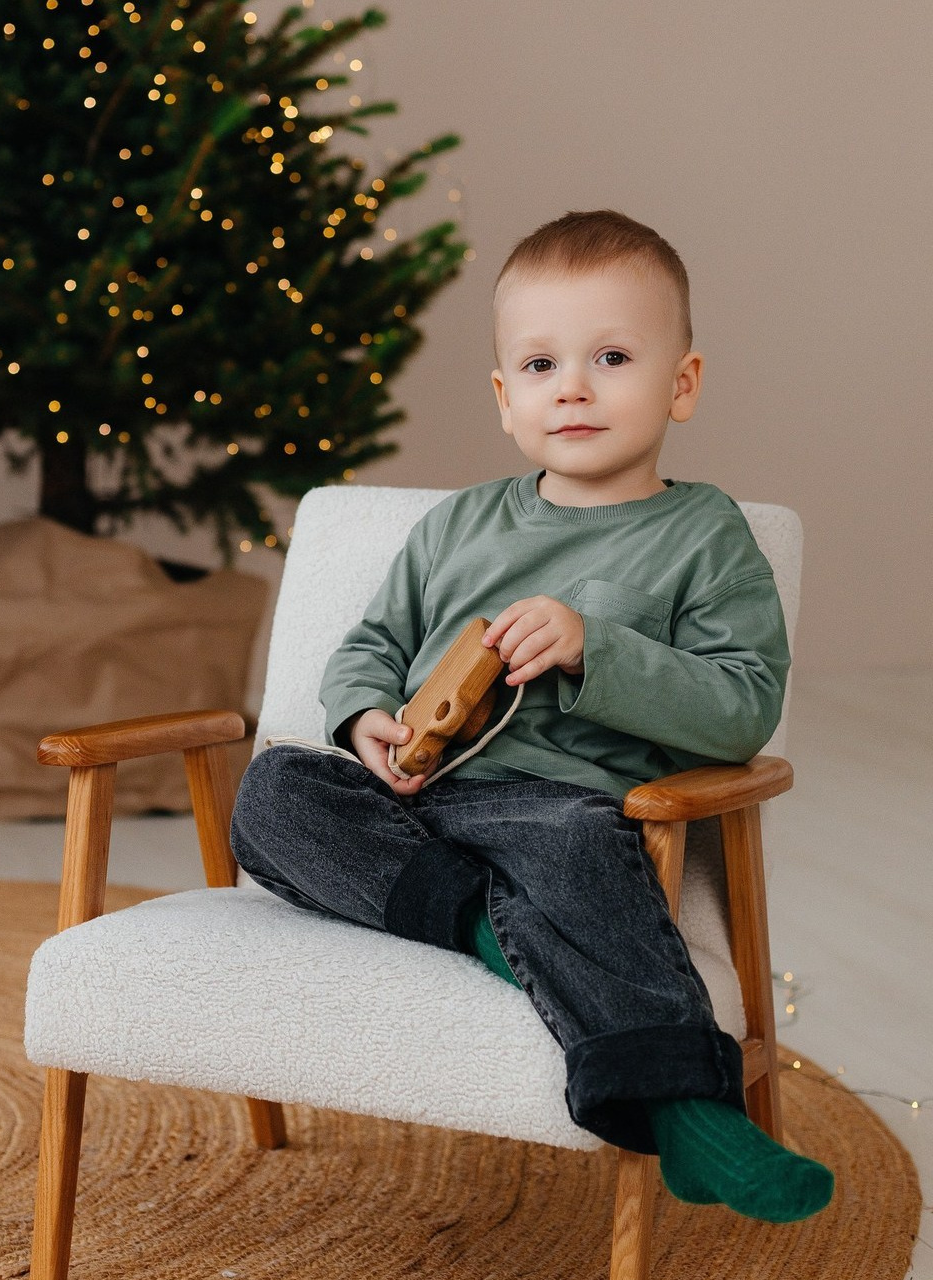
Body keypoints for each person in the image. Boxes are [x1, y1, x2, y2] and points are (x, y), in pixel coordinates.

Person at [229, 209, 833, 1223]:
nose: (575, 387)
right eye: (542, 364)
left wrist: (596, 644)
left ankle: (690, 1111)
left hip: (554, 803)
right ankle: (484, 920)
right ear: (507, 397)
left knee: (570, 847)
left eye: (609, 356)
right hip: (412, 796)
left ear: (679, 383)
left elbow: (739, 706)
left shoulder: (700, 534)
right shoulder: (458, 523)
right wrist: (363, 714)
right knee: (274, 792)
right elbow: (371, 642)